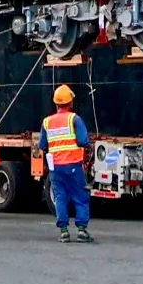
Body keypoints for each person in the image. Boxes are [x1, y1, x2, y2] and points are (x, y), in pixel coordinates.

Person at [38, 85, 93, 243]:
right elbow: (83, 141)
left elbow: (42, 145)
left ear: (56, 103)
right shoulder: (74, 119)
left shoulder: (47, 122)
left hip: (56, 168)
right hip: (74, 165)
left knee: (60, 198)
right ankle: (82, 230)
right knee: (80, 196)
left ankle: (64, 232)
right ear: (70, 102)